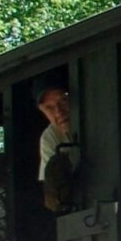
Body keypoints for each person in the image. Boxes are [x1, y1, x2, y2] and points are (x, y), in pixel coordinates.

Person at [35, 77, 79, 211]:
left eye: (63, 101)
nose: (59, 112)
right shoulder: (50, 137)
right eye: (50, 108)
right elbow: (52, 202)